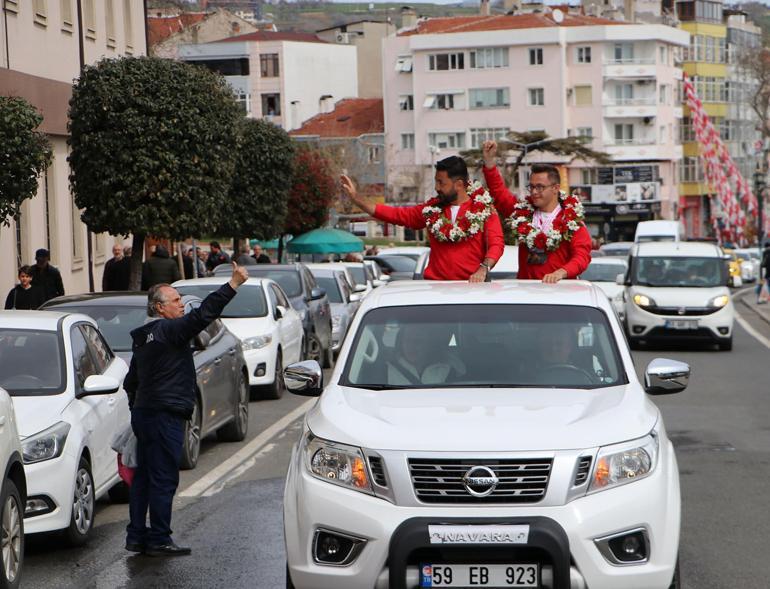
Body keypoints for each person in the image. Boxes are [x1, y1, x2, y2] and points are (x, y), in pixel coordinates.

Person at [123, 262, 249, 556]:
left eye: (181, 300)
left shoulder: (143, 337)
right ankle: (159, 539)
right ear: (159, 308)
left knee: (143, 477)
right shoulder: (169, 330)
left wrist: (137, 409)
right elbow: (204, 314)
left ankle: (136, 536)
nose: (181, 305)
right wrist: (232, 284)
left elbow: (132, 382)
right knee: (164, 477)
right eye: (176, 301)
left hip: (145, 414)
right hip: (165, 414)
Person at [341, 156, 504, 282]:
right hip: (435, 288)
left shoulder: (484, 209)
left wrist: (483, 269)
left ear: (459, 185)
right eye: (436, 182)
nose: (436, 188)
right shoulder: (431, 210)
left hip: (471, 287)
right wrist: (357, 199)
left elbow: (497, 245)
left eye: (441, 183)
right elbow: (397, 215)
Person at [482, 141, 591, 283]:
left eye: (539, 187)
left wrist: (561, 273)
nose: (534, 192)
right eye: (531, 187)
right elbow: (499, 194)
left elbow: (582, 256)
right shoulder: (522, 213)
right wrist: (489, 163)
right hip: (527, 294)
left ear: (555, 188)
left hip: (560, 293)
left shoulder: (572, 220)